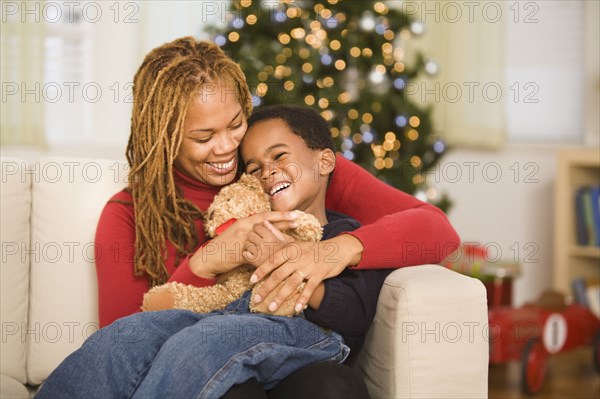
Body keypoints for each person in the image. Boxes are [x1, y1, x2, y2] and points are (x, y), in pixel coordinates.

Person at [35, 37, 459, 399]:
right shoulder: (128, 215)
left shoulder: (281, 168)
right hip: (202, 356)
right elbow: (130, 344)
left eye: (235, 124)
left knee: (328, 386)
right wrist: (207, 260)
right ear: (164, 137)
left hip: (292, 344)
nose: (226, 149)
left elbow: (434, 229)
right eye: (203, 137)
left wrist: (332, 252)